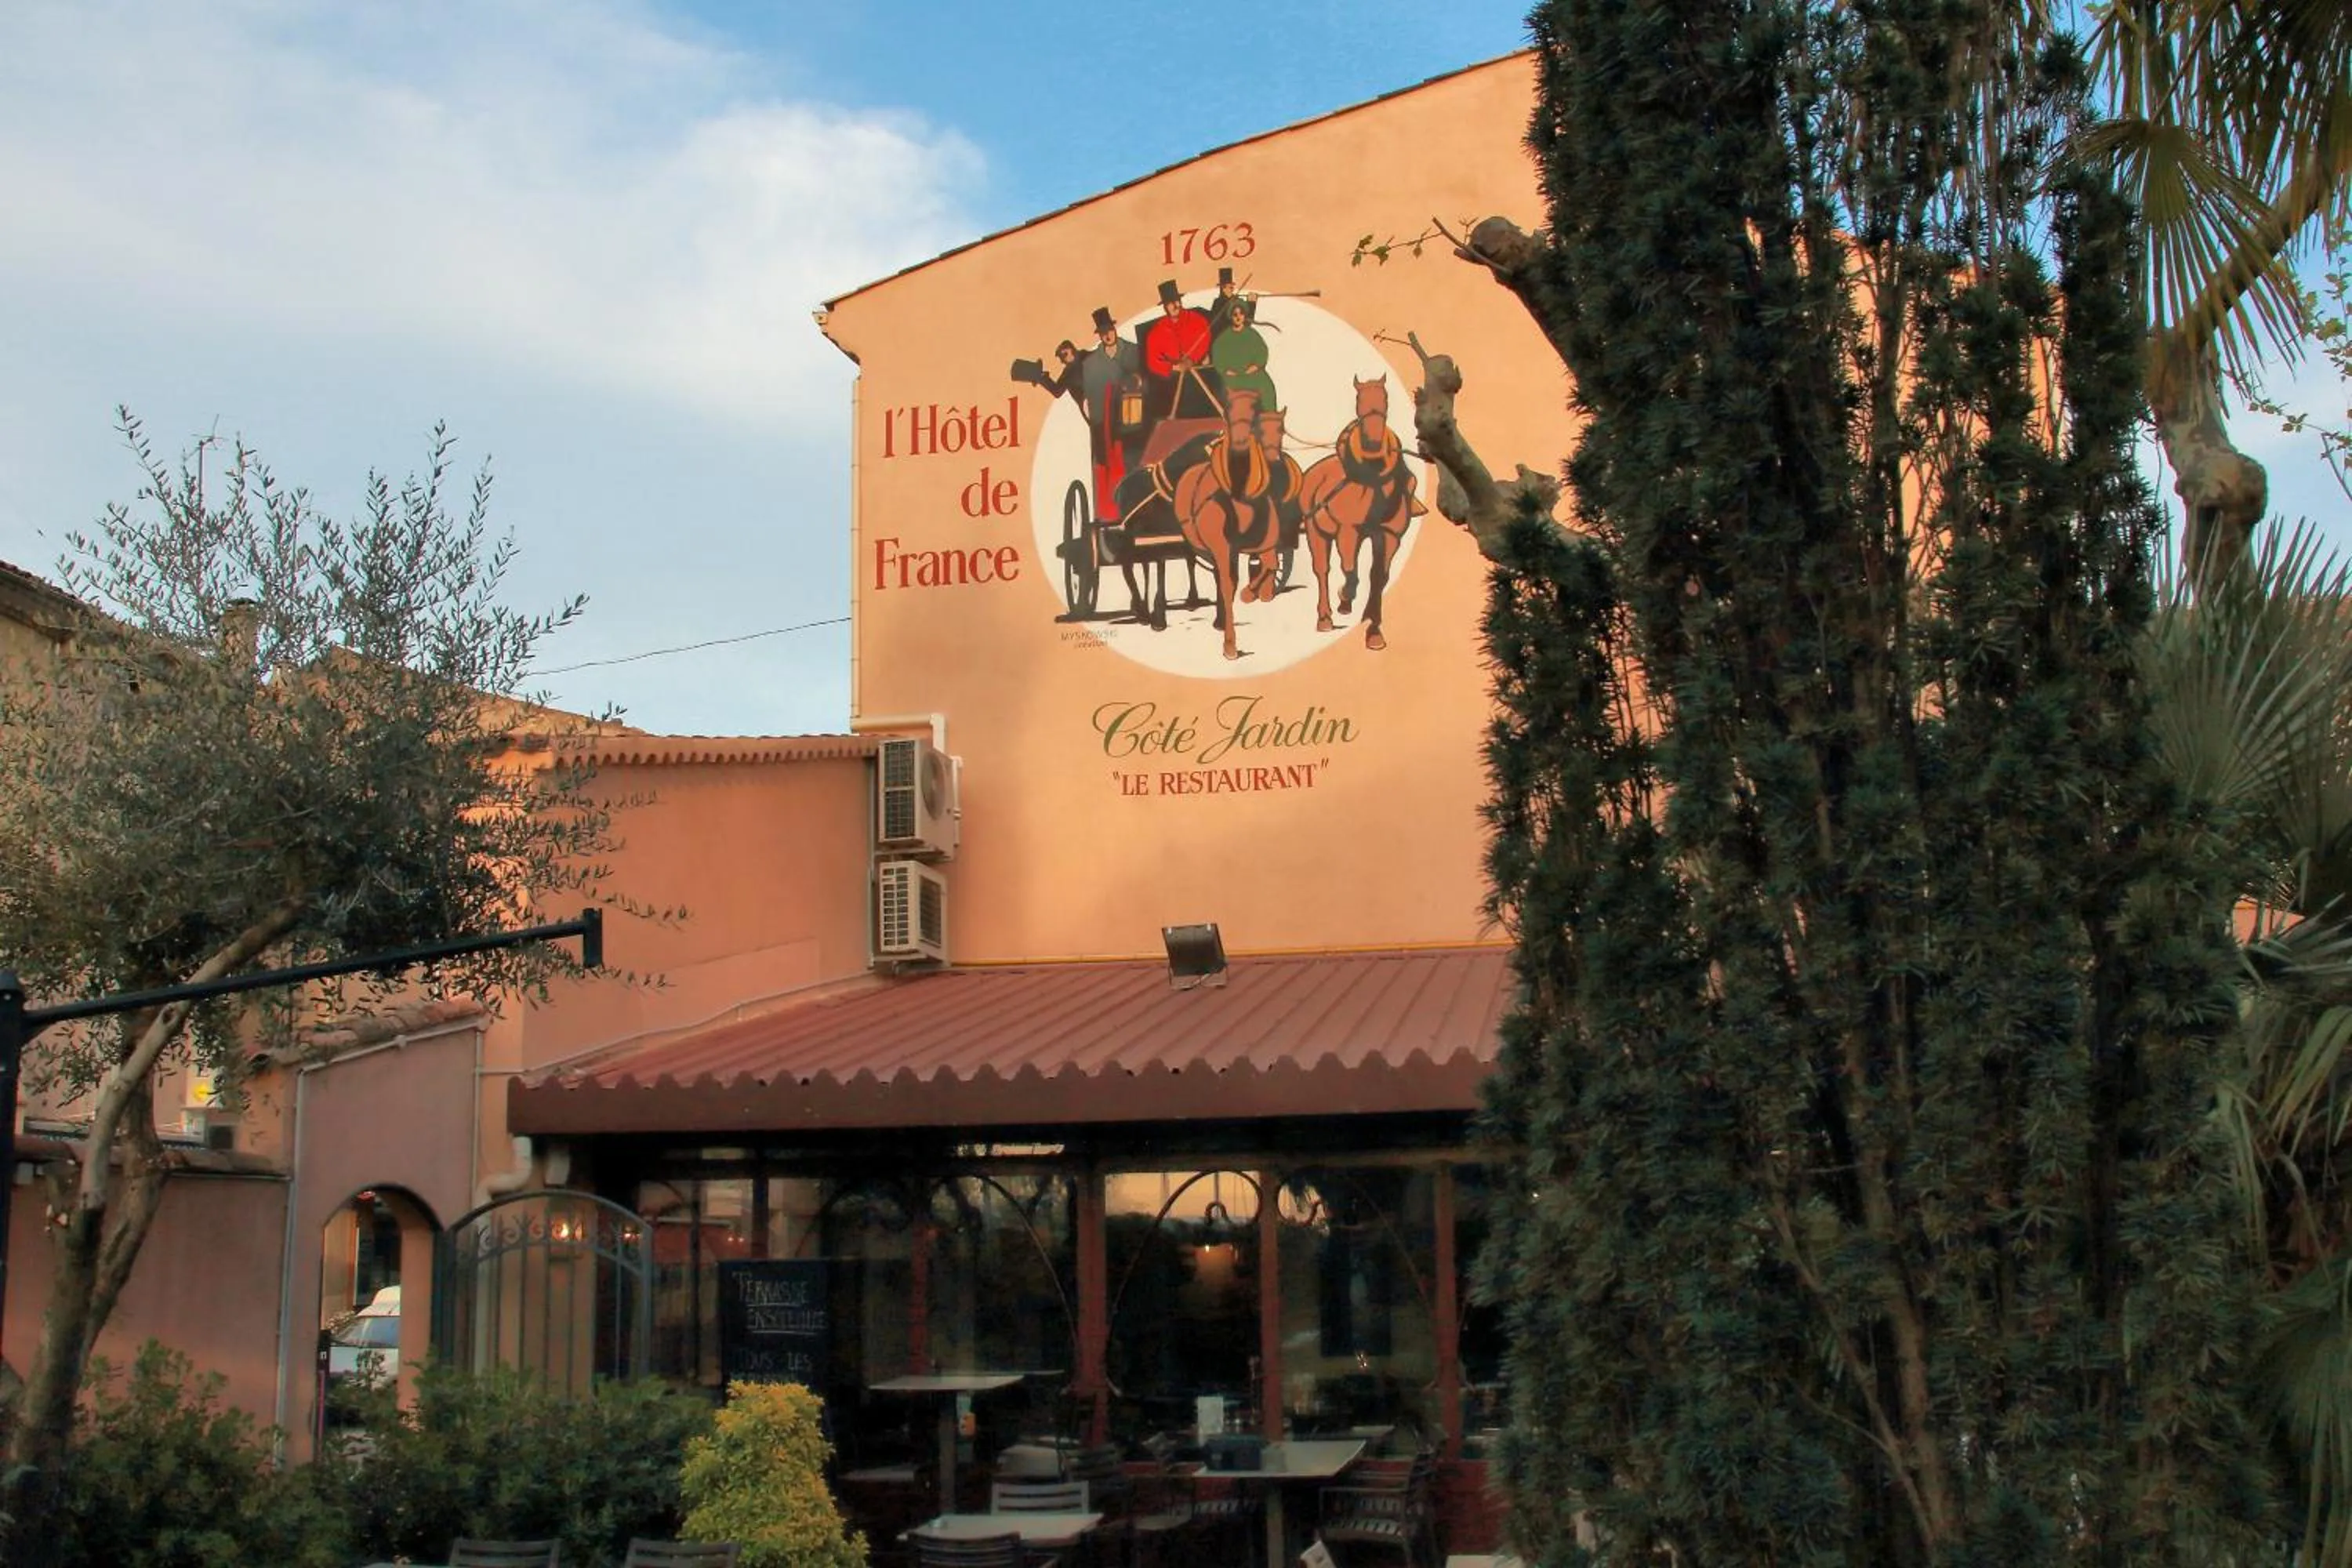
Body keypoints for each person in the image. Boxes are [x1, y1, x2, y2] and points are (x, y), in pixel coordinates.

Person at [1078, 307, 1143, 519]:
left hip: (1134, 419)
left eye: (1110, 330)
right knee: (1108, 465)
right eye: (1103, 332)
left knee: (1134, 460)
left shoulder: (1133, 352)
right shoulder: (1091, 364)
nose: (1107, 335)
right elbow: (1091, 396)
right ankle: (1111, 511)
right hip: (1105, 424)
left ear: (1115, 329)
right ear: (1099, 335)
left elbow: (1146, 381)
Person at [1142, 279, 1222, 419]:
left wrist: (1192, 359)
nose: (1175, 305)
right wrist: (1173, 367)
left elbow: (1205, 339)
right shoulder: (1157, 331)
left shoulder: (1197, 320)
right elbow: (1152, 361)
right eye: (1170, 303)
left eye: (1177, 301)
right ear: (1165, 307)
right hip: (1173, 378)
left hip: (1200, 371)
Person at [1209, 299, 1276, 409]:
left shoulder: (1252, 335)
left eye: (1241, 314)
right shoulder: (1223, 338)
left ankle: (1270, 416)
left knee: (1267, 386)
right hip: (1233, 377)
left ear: (1244, 316)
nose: (1238, 317)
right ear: (1231, 317)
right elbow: (1217, 357)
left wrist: (1256, 366)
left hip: (1252, 374)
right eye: (1235, 314)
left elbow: (1262, 352)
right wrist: (1225, 370)